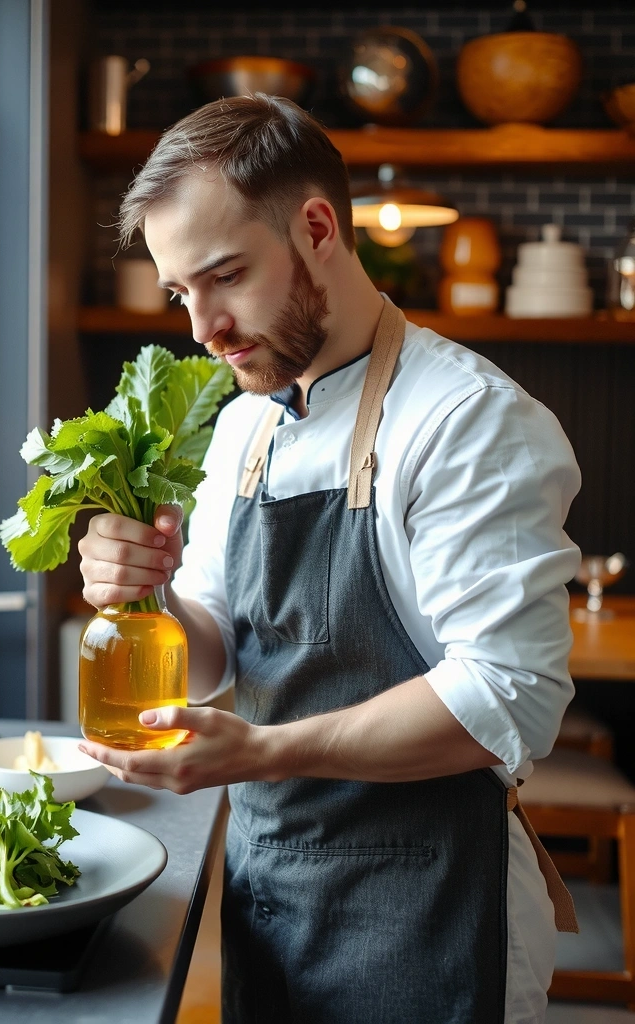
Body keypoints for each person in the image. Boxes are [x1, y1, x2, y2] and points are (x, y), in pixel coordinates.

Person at [75, 94, 582, 1024]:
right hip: (274, 895)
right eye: (183, 292)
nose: (203, 329)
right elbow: (220, 646)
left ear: (316, 228)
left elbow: (508, 695)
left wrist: (266, 751)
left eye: (225, 276)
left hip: (433, 908)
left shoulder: (468, 421)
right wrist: (149, 598)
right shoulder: (242, 427)